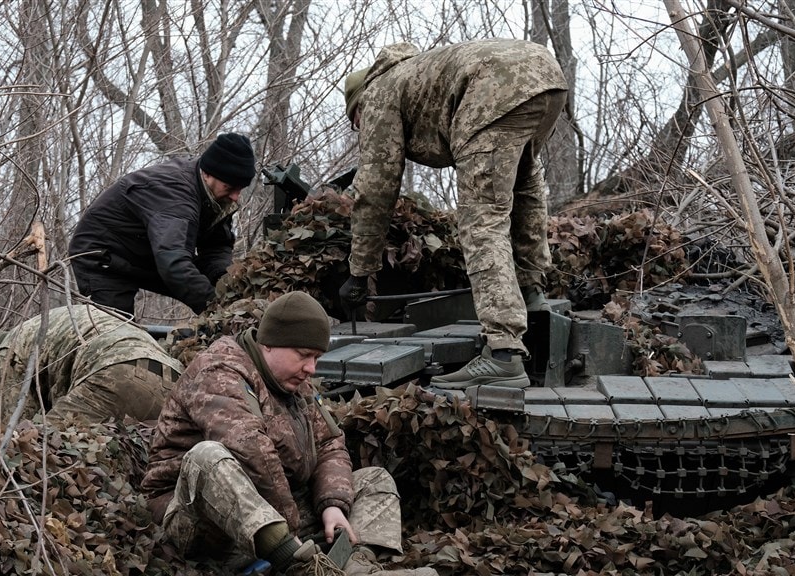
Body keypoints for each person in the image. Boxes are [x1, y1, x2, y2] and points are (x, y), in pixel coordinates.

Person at [142, 292, 437, 576]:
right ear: (269, 343)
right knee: (207, 456)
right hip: (202, 521)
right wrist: (293, 533)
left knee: (374, 479)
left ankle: (355, 565)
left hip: (277, 516)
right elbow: (250, 452)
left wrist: (332, 505)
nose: (311, 368)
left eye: (317, 357)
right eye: (304, 355)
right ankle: (306, 568)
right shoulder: (219, 371)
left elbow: (329, 444)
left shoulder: (293, 382)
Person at [338, 40, 568, 390]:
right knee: (525, 185)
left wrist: (359, 271)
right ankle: (532, 294)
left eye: (356, 122)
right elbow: (527, 196)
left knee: (481, 218)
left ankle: (503, 353)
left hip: (493, 89)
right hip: (547, 76)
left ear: (358, 106)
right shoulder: (415, 74)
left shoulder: (377, 95)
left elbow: (374, 191)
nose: (361, 128)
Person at [68, 132, 257, 316]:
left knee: (216, 285)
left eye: (240, 189)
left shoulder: (216, 196)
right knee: (116, 330)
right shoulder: (175, 196)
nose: (235, 196)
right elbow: (174, 265)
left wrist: (224, 281)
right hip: (103, 254)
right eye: (230, 188)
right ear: (207, 174)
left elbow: (216, 246)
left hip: (148, 249)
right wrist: (217, 310)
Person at [0, 304, 184, 425]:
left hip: (113, 373)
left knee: (44, 445)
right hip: (172, 376)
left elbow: (17, 425)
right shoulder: (39, 327)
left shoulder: (6, 353)